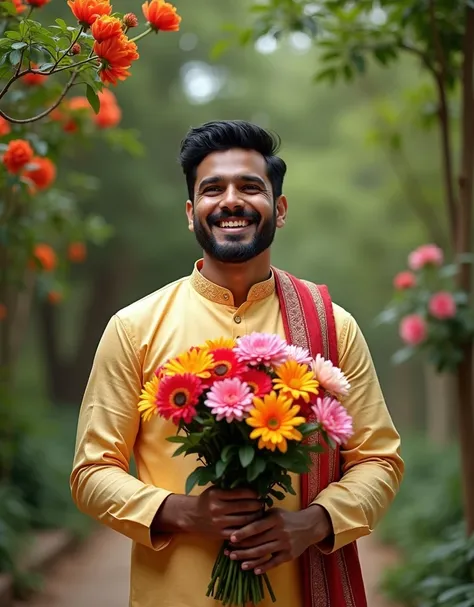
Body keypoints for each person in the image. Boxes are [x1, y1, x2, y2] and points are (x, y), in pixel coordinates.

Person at [70, 120, 404, 607]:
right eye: (212, 189)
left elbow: (379, 459)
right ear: (191, 212)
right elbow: (91, 472)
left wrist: (314, 523)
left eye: (250, 187)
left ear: (280, 209)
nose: (230, 201)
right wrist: (182, 512)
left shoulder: (331, 325)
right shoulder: (134, 327)